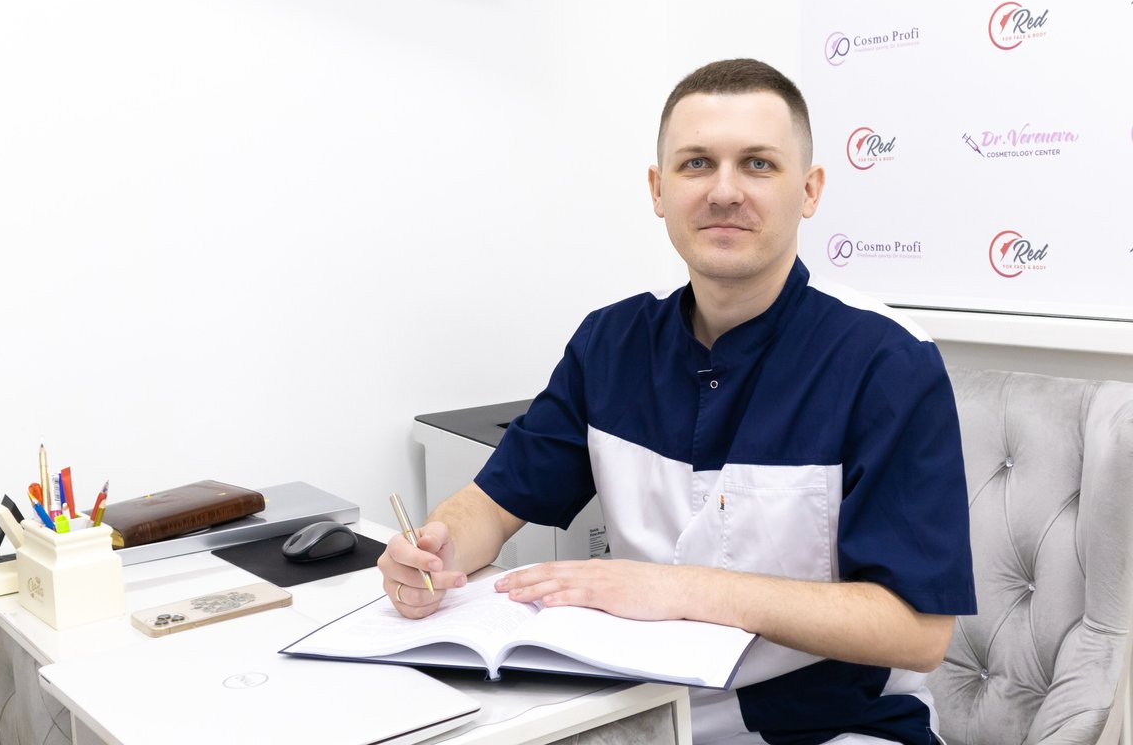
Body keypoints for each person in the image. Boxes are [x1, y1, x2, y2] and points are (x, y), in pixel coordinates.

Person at [378, 58, 976, 745]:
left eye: (757, 164)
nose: (724, 191)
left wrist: (682, 589)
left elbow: (917, 630)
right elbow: (490, 505)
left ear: (809, 191)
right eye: (697, 164)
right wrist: (437, 550)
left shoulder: (886, 361)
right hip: (638, 715)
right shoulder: (610, 343)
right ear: (658, 190)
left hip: (831, 729)